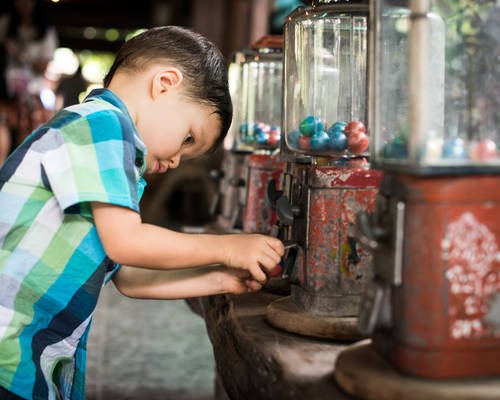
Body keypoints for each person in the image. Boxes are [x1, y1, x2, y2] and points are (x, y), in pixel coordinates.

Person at [0, 26, 284, 400]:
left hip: (28, 347)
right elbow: (127, 244)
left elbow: (128, 277)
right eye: (188, 138)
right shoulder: (102, 123)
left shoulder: (107, 152)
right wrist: (227, 247)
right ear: (164, 83)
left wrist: (219, 280)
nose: (175, 160)